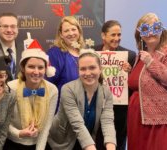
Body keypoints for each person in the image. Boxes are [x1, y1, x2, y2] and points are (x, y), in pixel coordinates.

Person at [48, 50, 116, 150]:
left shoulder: (106, 92)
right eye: (83, 69)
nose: (88, 73)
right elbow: (77, 124)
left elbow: (107, 121)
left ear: (100, 69)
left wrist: (111, 147)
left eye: (92, 67)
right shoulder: (68, 89)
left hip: (86, 140)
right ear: (78, 70)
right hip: (61, 142)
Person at [3, 40, 58, 150]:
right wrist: (18, 133)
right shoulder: (9, 88)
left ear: (46, 69)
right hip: (13, 142)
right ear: (23, 68)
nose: (36, 72)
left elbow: (47, 125)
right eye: (31, 67)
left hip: (40, 143)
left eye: (41, 67)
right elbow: (3, 121)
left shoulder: (52, 90)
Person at [93, 20, 136, 150]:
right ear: (103, 36)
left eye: (119, 35)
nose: (117, 38)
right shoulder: (92, 52)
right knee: (97, 140)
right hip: (97, 105)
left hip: (120, 109)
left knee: (118, 141)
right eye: (113, 35)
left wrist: (129, 72)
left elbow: (134, 83)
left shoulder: (130, 55)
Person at [127, 13, 167, 150]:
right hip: (136, 116)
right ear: (140, 34)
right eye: (145, 29)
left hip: (157, 119)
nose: (150, 33)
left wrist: (151, 62)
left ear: (161, 30)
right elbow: (138, 82)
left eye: (155, 27)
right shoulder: (140, 54)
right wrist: (129, 72)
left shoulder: (165, 53)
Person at [46, 16, 85, 111]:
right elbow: (47, 85)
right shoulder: (54, 54)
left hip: (83, 109)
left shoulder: (84, 53)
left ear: (79, 32)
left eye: (73, 29)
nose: (71, 33)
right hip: (62, 110)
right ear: (61, 34)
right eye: (66, 31)